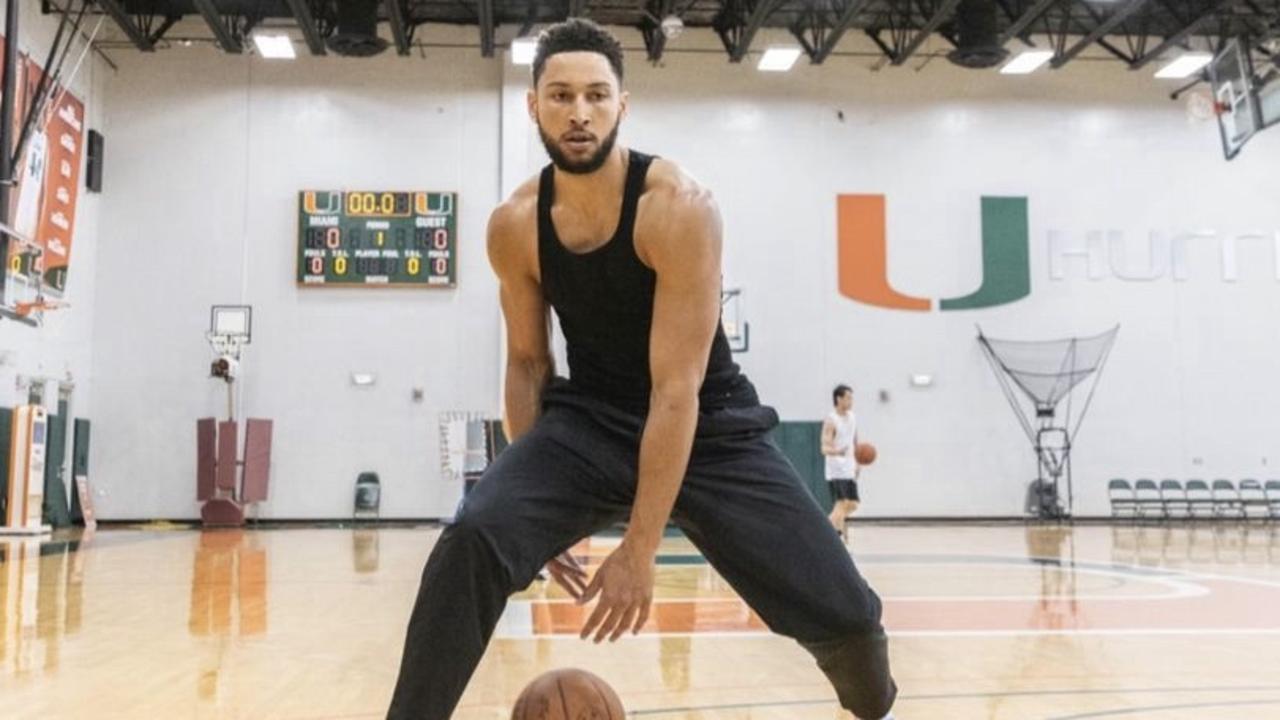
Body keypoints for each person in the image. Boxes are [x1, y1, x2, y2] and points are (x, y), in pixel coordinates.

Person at [387, 19, 896, 720]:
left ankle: (878, 709)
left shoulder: (679, 209)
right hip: (587, 421)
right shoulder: (515, 223)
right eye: (560, 95)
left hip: (709, 426)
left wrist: (640, 546)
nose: (579, 111)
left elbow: (676, 390)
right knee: (473, 538)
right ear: (532, 106)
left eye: (596, 95)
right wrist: (536, 516)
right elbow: (530, 363)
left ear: (623, 105)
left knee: (848, 619)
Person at [822, 384, 861, 538]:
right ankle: (830, 534)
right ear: (839, 399)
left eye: (852, 398)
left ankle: (835, 531)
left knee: (853, 504)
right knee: (841, 503)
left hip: (849, 468)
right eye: (848, 398)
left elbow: (855, 441)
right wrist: (838, 451)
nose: (851, 401)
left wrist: (857, 462)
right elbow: (824, 448)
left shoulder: (852, 417)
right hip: (836, 468)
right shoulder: (831, 421)